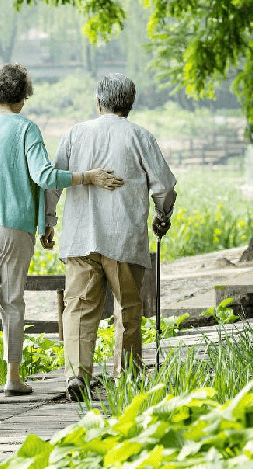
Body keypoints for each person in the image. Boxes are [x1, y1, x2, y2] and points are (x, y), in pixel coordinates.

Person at [0, 62, 123, 404]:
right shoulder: (25, 128)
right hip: (13, 227)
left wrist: (41, 219)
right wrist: (87, 177)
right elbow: (46, 177)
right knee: (12, 302)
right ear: (22, 94)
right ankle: (13, 377)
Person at [43, 72, 176, 401]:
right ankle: (127, 375)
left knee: (78, 308)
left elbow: (54, 181)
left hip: (79, 236)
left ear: (98, 100)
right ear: (129, 105)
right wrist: (163, 215)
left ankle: (77, 375)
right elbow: (165, 186)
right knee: (128, 308)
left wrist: (47, 221)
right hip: (123, 238)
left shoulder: (75, 134)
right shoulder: (139, 136)